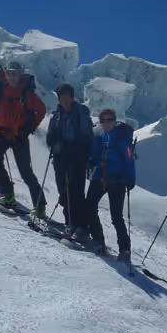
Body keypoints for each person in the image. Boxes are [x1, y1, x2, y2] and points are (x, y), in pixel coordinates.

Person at [0, 61, 47, 211]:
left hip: (19, 135)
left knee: (25, 172)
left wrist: (29, 128)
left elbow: (41, 110)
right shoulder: (1, 89)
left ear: (21, 73)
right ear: (5, 73)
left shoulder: (27, 93)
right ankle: (8, 194)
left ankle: (40, 206)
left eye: (15, 73)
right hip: (1, 131)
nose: (12, 76)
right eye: (9, 73)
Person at [83, 109, 136, 260]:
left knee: (116, 216)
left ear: (114, 120)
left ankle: (124, 249)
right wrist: (87, 164)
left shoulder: (122, 139)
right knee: (90, 206)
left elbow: (129, 158)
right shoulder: (100, 137)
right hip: (100, 177)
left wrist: (131, 178)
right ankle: (98, 240)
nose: (106, 123)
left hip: (117, 180)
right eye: (103, 120)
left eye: (109, 119)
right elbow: (94, 157)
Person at [45, 83, 92, 233]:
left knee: (75, 191)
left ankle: (79, 226)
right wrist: (53, 142)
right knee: (63, 191)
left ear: (72, 97)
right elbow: (49, 136)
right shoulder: (56, 115)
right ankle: (72, 224)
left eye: (66, 97)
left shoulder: (81, 112)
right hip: (60, 158)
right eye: (61, 97)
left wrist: (74, 148)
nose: (64, 100)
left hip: (77, 158)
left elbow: (85, 135)